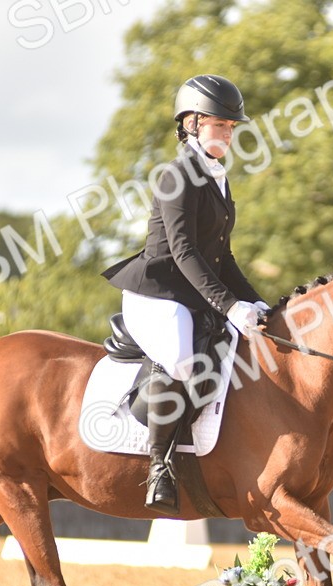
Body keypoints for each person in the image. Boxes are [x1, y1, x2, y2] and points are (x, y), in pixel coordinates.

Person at [102, 74, 269, 514]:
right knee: (180, 359)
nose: (228, 134)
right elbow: (184, 250)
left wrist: (257, 302)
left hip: (193, 293)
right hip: (157, 293)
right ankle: (160, 467)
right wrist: (229, 305)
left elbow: (222, 256)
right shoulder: (175, 175)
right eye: (219, 125)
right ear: (192, 123)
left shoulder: (219, 179)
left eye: (232, 128)